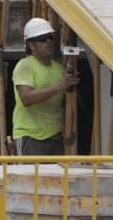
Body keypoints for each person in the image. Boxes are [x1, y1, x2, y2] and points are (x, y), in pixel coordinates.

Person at [10, 17, 75, 157]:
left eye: (50, 37)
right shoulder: (25, 65)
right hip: (31, 137)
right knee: (32, 179)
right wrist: (59, 87)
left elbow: (65, 104)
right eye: (42, 38)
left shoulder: (59, 70)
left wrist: (68, 128)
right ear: (31, 45)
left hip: (55, 138)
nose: (48, 41)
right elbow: (26, 98)